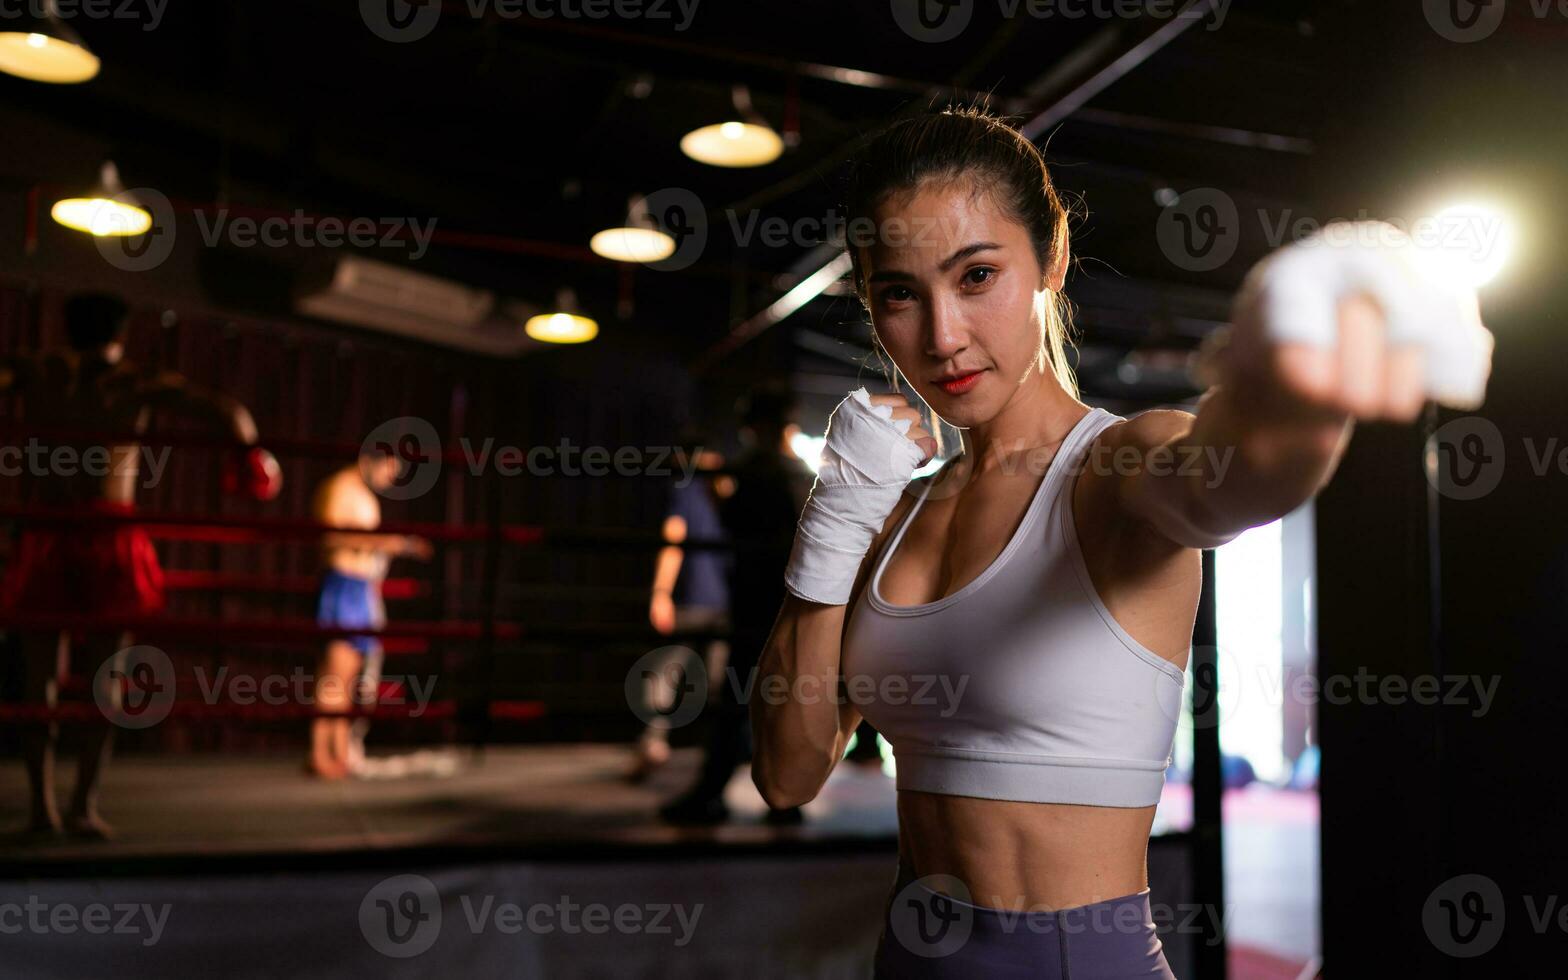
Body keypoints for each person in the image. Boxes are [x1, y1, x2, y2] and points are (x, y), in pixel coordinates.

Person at [750, 106, 1493, 977]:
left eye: (978, 275)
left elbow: (1230, 478)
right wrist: (832, 530)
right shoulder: (888, 515)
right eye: (901, 294)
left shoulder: (1115, 467)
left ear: (1051, 260)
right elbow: (788, 775)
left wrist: (1289, 390)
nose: (943, 335)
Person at [0, 292, 275, 838]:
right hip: (105, 532)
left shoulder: (36, 371)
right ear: (121, 333)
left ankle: (41, 809)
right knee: (109, 679)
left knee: (39, 683)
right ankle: (82, 807)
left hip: (48, 528)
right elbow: (230, 413)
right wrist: (252, 460)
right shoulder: (135, 381)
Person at [659, 384, 814, 824]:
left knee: (743, 700)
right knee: (773, 698)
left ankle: (719, 793)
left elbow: (735, 529)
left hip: (760, 602)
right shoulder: (793, 472)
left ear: (754, 427)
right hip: (783, 600)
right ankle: (781, 800)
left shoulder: (764, 471)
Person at [307, 452, 431, 779]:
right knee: (335, 675)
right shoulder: (341, 488)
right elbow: (332, 536)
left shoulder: (361, 494)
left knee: (346, 678)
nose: (390, 478)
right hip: (344, 584)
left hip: (360, 587)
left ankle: (337, 751)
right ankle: (321, 754)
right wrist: (387, 543)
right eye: (390, 469)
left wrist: (390, 544)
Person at [631, 437, 733, 782]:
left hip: (696, 600)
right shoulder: (717, 493)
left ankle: (655, 746)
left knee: (666, 676)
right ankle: (717, 757)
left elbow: (672, 540)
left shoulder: (691, 490)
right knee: (716, 684)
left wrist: (661, 592)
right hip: (719, 602)